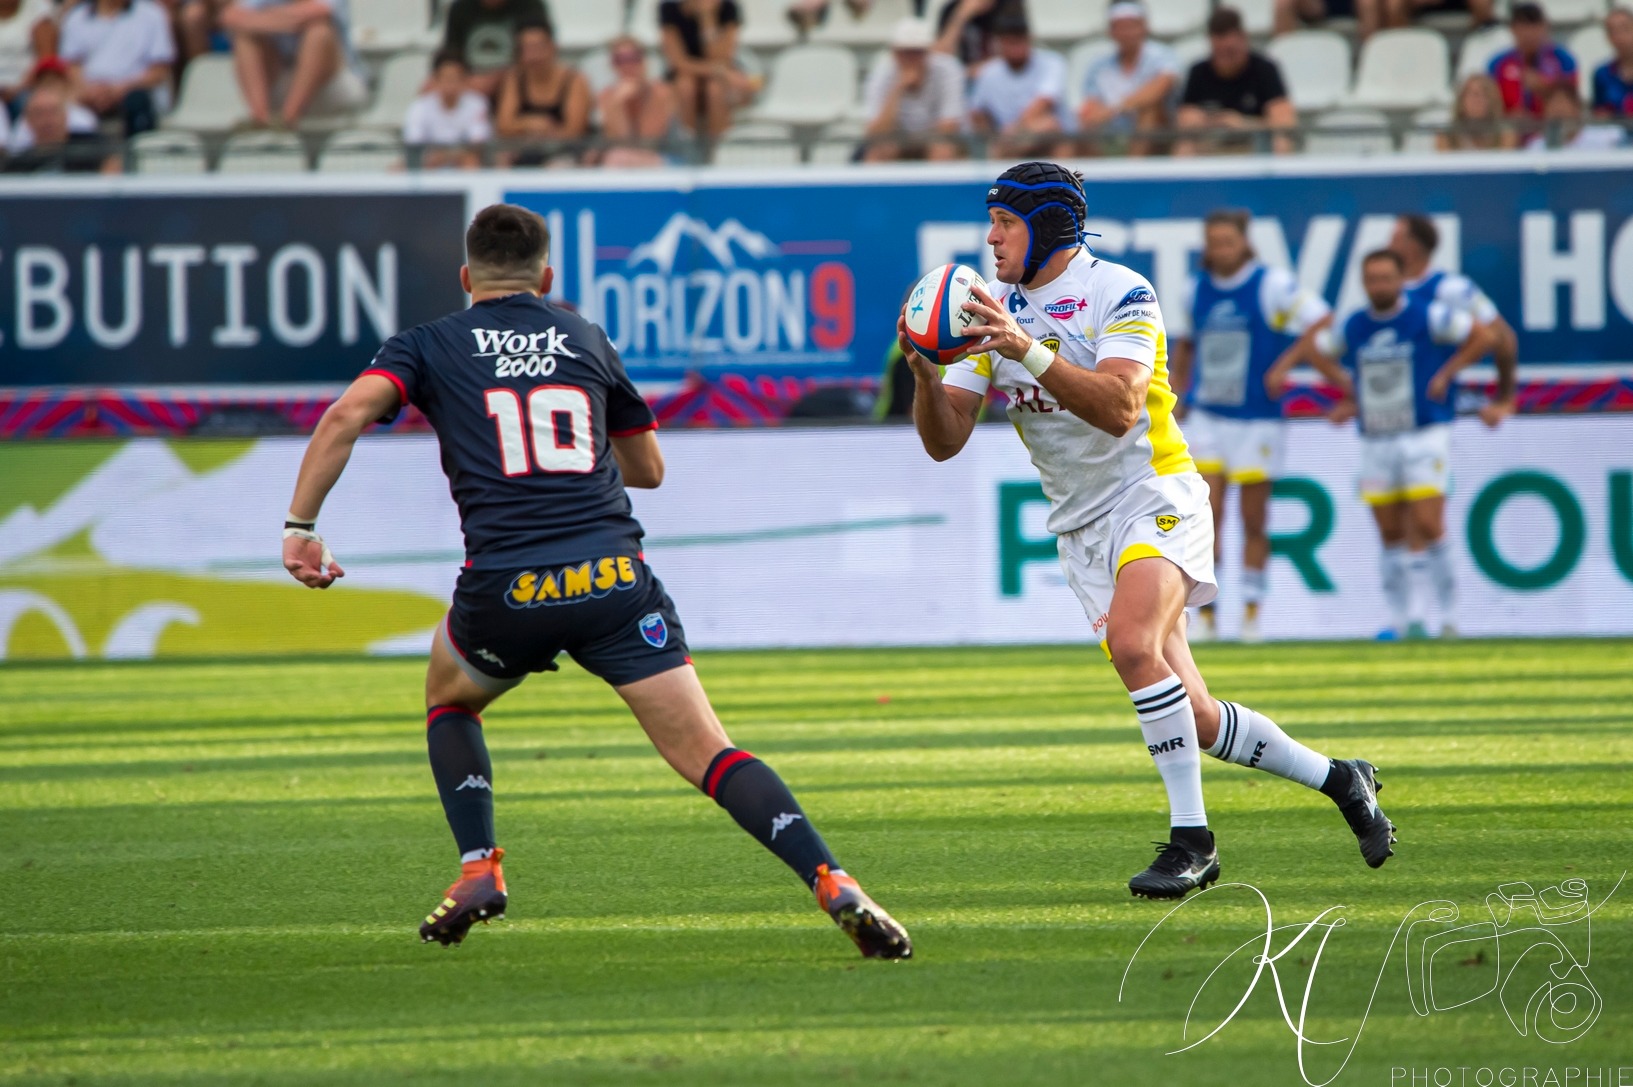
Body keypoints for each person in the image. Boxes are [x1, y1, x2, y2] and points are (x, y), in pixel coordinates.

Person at [281, 204, 913, 959]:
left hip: (507, 590)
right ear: (547, 278)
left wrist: (300, 528)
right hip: (614, 580)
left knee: (450, 699)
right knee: (710, 752)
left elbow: (344, 415)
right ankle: (829, 877)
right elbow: (647, 469)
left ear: (464, 278)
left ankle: (479, 865)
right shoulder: (584, 337)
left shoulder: (425, 344)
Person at [902, 162, 1395, 900]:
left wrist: (1022, 348)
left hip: (1155, 492)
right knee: (1193, 716)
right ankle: (1339, 778)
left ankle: (1191, 842)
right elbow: (945, 441)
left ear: (1047, 229)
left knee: (1134, 645)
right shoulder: (987, 310)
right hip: (1081, 527)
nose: (991, 236)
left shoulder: (1120, 292)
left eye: (1005, 222)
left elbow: (1119, 408)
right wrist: (922, 377)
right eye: (991, 222)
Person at [1281, 250, 1494, 640]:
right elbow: (1316, 349)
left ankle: (1449, 616)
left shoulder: (1427, 316)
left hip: (1424, 432)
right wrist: (1350, 388)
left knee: (1430, 523)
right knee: (1390, 531)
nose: (1379, 285)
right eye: (1372, 279)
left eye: (1386, 278)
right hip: (1376, 436)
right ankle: (1400, 619)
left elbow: (1483, 335)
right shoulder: (1355, 325)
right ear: (1364, 283)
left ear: (1401, 280)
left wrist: (1446, 374)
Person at [1170, 210, 1331, 644]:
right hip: (1208, 415)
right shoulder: (1194, 289)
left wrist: (1284, 366)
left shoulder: (1272, 285)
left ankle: (1252, 613)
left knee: (1253, 518)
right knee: (1206, 517)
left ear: (1244, 243)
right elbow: (1186, 346)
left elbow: (1321, 321)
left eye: (1227, 241)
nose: (1219, 249)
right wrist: (1179, 397)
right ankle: (1206, 616)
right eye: (1212, 241)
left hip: (1258, 418)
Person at [1389, 213, 1519, 429]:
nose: (1388, 245)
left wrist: (1505, 400)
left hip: (1441, 410)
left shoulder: (1451, 289)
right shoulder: (1389, 293)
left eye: (1394, 238)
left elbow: (1503, 338)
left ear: (1413, 245)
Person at [219, 0, 369, 129]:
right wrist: (280, 21)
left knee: (319, 32)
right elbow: (229, 17)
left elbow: (320, 11)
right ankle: (260, 119)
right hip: (282, 77)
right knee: (245, 39)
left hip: (333, 81)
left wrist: (261, 19)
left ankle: (288, 119)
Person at [1176, 7, 1296, 156]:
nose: (1225, 59)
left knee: (1282, 139)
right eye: (1219, 53)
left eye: (1231, 52)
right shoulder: (1199, 71)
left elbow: (1284, 120)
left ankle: (1279, 177)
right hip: (1212, 146)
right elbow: (1185, 116)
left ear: (1243, 39)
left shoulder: (1264, 69)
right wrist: (1210, 121)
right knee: (1185, 142)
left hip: (1253, 146)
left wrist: (1242, 123)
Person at [57, 0, 175, 138]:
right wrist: (89, 92)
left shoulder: (152, 14)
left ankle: (136, 156)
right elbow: (71, 66)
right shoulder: (76, 17)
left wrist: (118, 90)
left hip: (134, 92)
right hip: (88, 93)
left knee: (137, 101)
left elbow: (159, 71)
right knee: (54, 105)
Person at [1076, 1, 1177, 157]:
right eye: (1120, 27)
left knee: (1149, 111)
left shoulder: (1162, 56)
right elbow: (1092, 104)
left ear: (1144, 27)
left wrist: (1116, 109)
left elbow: (1162, 86)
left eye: (1131, 26)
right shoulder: (1098, 66)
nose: (1126, 33)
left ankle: (1134, 169)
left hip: (1155, 133)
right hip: (1111, 133)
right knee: (1085, 121)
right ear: (1111, 32)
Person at [966, 9, 1068, 159]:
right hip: (1005, 141)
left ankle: (1062, 180)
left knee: (1048, 126)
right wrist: (992, 137)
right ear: (999, 43)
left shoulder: (1052, 62)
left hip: (1042, 141)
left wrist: (1013, 132)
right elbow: (977, 114)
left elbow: (1043, 104)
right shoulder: (989, 72)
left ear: (1029, 39)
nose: (1016, 46)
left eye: (1020, 39)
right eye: (1010, 41)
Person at [862, 15, 965, 162]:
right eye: (905, 52)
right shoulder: (881, 74)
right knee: (878, 151)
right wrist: (898, 89)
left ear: (928, 52)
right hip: (899, 141)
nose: (911, 58)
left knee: (943, 148)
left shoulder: (948, 70)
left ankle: (936, 185)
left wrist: (917, 140)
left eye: (917, 52)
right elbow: (874, 134)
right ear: (894, 53)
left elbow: (949, 127)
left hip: (932, 140)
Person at [494, 21, 589, 165]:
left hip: (563, 151)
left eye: (538, 48)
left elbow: (574, 130)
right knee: (501, 159)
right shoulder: (514, 79)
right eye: (527, 49)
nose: (533, 56)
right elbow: (503, 125)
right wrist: (529, 123)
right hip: (523, 148)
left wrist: (546, 133)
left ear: (552, 48)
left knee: (559, 166)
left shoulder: (573, 79)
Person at [658, 0, 754, 140]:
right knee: (686, 86)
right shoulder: (669, 9)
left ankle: (718, 148)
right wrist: (719, 71)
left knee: (715, 89)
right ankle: (686, 147)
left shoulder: (728, 8)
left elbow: (720, 56)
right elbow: (678, 62)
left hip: (718, 74)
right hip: (692, 74)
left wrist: (707, 18)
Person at [595, 34, 677, 168]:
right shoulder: (606, 96)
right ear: (612, 65)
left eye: (633, 58)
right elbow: (620, 142)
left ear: (644, 61)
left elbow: (648, 144)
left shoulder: (662, 92)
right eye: (620, 60)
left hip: (667, 159)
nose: (627, 65)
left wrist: (639, 94)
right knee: (616, 157)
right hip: (626, 159)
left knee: (617, 158)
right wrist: (617, 105)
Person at [441, 0, 550, 98]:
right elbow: (451, 56)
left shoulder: (530, 6)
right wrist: (466, 81)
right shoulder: (460, 9)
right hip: (469, 85)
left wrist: (497, 79)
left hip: (517, 85)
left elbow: (538, 53)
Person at [403, 51, 491, 169]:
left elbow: (477, 141)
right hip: (430, 161)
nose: (450, 84)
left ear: (465, 80)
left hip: (462, 161)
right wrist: (434, 157)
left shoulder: (477, 104)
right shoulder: (420, 106)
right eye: (446, 78)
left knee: (471, 161)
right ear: (435, 80)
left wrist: (446, 156)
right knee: (398, 169)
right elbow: (414, 141)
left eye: (455, 78)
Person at [1488, 2, 1576, 118]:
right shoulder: (1498, 64)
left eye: (1534, 27)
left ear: (1545, 28)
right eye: (1523, 27)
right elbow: (1489, 105)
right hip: (1510, 131)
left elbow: (1573, 101)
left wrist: (1544, 88)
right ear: (1513, 30)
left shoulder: (1563, 60)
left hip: (1552, 130)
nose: (1529, 34)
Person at [1, 83, 114, 171]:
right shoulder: (19, 164)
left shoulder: (90, 145)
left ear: (65, 116)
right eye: (39, 113)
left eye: (53, 112)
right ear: (28, 121)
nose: (47, 120)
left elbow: (113, 160)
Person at [1525, 80, 1626, 148]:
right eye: (1553, 107)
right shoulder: (1536, 147)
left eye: (1562, 105)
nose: (1558, 110)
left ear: (1577, 108)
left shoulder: (1604, 138)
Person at [935, 0, 1021, 76]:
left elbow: (1019, 53)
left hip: (1001, 78)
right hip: (962, 80)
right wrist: (961, 16)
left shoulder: (1010, 6)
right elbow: (939, 57)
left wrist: (984, 69)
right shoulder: (952, 10)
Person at [1438, 73, 1519, 150]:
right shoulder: (1446, 136)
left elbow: (1504, 162)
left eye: (1483, 94)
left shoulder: (1505, 135)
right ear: (1461, 100)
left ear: (1492, 100)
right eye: (1471, 93)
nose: (1476, 100)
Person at [0, 0, 56, 110]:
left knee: (30, 104)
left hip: (24, 89)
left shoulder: (38, 9)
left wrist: (16, 89)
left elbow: (46, 60)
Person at [1592, 6, 1633, 118]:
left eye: (1625, 29)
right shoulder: (1602, 74)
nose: (1620, 37)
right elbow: (1599, 112)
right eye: (1613, 31)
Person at [1274, 0, 1381, 40]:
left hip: (1354, 4)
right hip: (1321, 4)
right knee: (1283, 3)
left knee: (1369, 4)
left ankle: (1370, 63)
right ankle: (1283, 63)